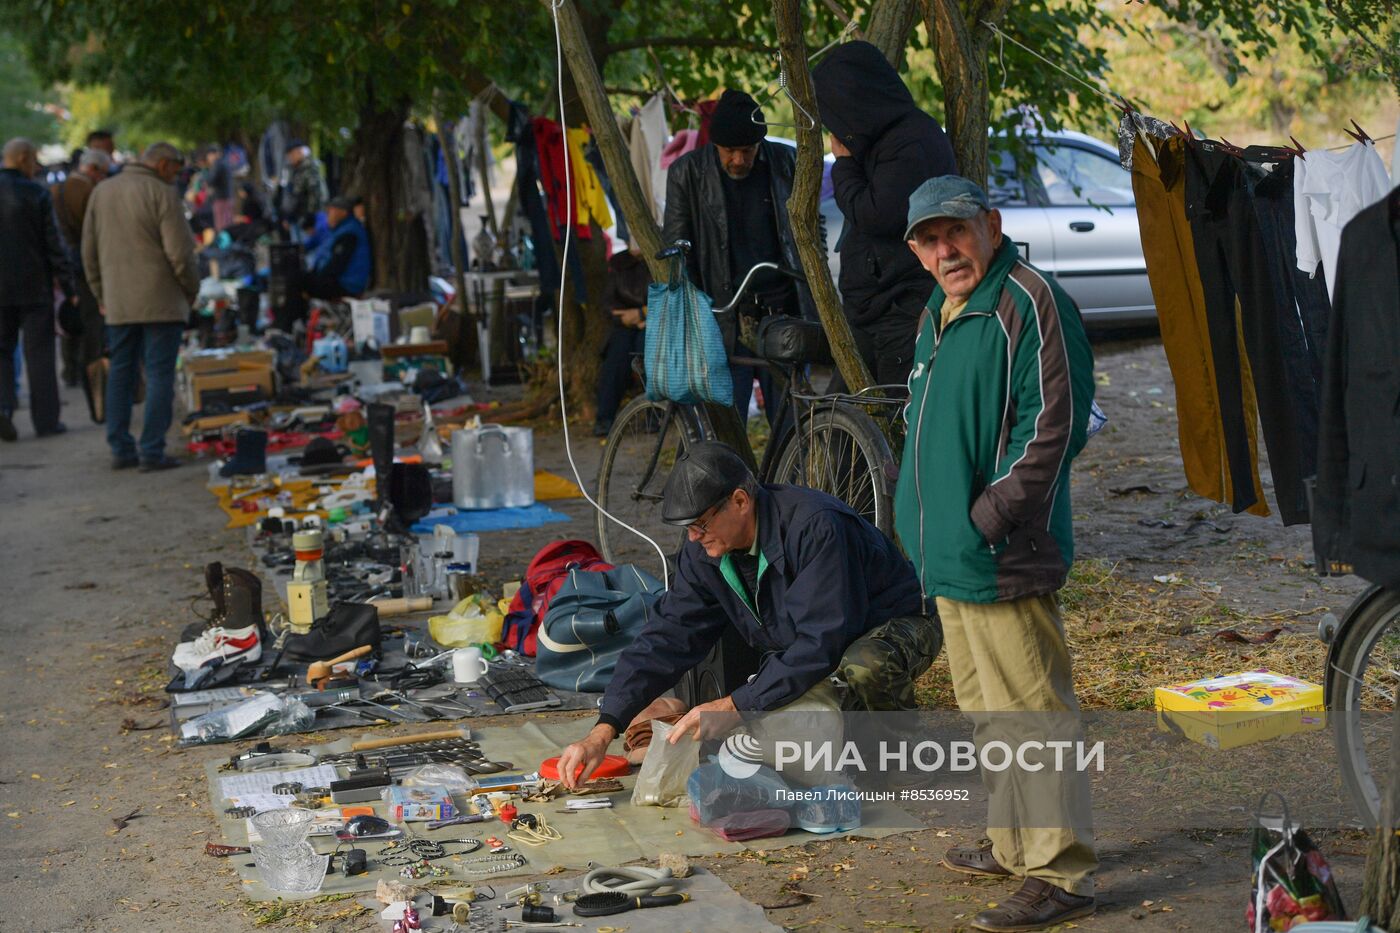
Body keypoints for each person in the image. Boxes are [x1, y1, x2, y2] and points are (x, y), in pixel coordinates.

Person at [895, 175, 1097, 932]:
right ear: (916, 251)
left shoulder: (1029, 300)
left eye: (956, 232)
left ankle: (1061, 869)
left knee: (1035, 711)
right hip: (949, 554)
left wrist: (987, 519)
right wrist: (922, 523)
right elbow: (922, 421)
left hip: (1002, 551)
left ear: (991, 225)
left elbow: (1053, 429)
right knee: (989, 712)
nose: (945, 250)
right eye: (929, 239)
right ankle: (1017, 844)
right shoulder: (937, 314)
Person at [556, 441, 941, 787]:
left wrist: (735, 704)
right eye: (687, 528)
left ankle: (905, 751)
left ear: (740, 501)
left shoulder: (815, 527)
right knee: (782, 722)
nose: (693, 538)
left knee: (864, 665)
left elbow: (821, 643)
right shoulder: (703, 550)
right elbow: (669, 635)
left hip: (896, 624)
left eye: (700, 524)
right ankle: (852, 733)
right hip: (813, 639)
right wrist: (604, 730)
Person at [662, 88, 817, 424]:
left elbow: (810, 230)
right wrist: (695, 314)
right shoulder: (687, 173)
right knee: (726, 427)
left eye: (746, 151)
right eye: (729, 151)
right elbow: (677, 249)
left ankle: (782, 477)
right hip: (725, 319)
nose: (738, 160)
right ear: (715, 145)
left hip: (785, 311)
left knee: (792, 426)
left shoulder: (785, 162)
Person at [812, 41, 957, 387]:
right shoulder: (887, 136)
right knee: (845, 418)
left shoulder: (909, 142)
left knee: (891, 422)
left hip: (899, 312)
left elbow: (876, 214)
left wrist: (845, 163)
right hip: (877, 311)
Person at [83, 142, 199, 472]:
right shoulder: (161, 193)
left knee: (121, 371)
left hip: (118, 300)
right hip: (161, 301)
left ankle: (121, 448)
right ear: (163, 164)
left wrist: (101, 294)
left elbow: (88, 251)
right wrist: (191, 289)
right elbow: (180, 253)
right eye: (176, 169)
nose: (177, 177)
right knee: (160, 373)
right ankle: (151, 450)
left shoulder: (102, 191)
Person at [0, 137, 77, 442]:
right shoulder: (36, 193)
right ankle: (46, 420)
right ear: (24, 159)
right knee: (40, 355)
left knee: (1, 352)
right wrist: (68, 285)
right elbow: (54, 244)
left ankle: (4, 409)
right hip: (34, 287)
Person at [52, 147, 113, 390]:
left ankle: (72, 369)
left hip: (67, 261)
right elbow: (93, 230)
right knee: (89, 318)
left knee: (73, 317)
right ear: (94, 169)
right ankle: (91, 369)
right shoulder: (86, 189)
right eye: (104, 173)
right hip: (82, 261)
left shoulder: (60, 187)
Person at [593, 239, 651, 436]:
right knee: (616, 358)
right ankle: (604, 418)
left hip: (653, 323)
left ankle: (655, 415)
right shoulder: (619, 263)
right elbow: (608, 304)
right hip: (625, 323)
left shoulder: (657, 261)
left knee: (647, 352)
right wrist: (633, 317)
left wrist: (644, 314)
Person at [303, 195, 371, 300]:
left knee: (296, 280)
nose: (328, 215)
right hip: (338, 280)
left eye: (331, 211)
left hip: (347, 285)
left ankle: (293, 315)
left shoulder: (349, 232)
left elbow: (336, 265)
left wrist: (317, 279)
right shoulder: (340, 230)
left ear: (343, 213)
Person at [279, 140, 328, 236]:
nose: (290, 158)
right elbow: (292, 196)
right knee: (298, 248)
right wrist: (289, 217)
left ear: (299, 152)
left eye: (291, 154)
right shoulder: (293, 170)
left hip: (309, 218)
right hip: (297, 217)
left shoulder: (310, 168)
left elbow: (315, 195)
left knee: (309, 247)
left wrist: (310, 220)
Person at [201, 145, 235, 232]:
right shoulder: (225, 162)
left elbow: (211, 180)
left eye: (209, 155)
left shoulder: (218, 164)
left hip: (221, 198)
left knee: (222, 225)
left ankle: (225, 244)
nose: (208, 158)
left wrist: (204, 177)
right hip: (227, 197)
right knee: (228, 222)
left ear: (214, 154)